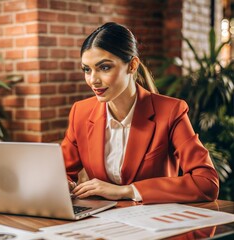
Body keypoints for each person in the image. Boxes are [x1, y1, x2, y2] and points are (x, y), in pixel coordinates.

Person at [62, 22, 219, 204]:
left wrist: (126, 191)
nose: (93, 80)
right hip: (101, 222)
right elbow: (61, 173)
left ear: (132, 65)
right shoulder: (80, 112)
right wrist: (64, 185)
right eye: (86, 70)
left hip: (156, 223)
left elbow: (207, 182)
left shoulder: (170, 112)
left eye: (104, 67)